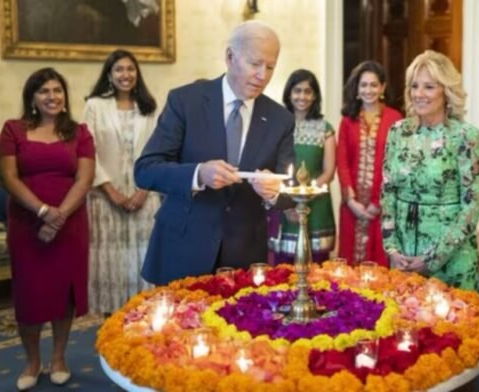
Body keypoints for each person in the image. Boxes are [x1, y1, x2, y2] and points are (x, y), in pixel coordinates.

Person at [134, 21, 294, 285]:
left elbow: (291, 192)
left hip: (244, 257)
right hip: (183, 247)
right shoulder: (185, 101)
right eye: (255, 64)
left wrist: (275, 191)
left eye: (270, 67)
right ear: (230, 57)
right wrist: (198, 174)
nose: (263, 76)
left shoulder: (280, 119)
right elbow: (145, 170)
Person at [0, 68, 95, 390]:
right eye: (44, 91)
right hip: (27, 224)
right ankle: (32, 361)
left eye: (57, 90)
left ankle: (58, 357)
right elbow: (9, 178)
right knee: (29, 295)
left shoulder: (80, 133)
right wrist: (42, 211)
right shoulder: (13, 129)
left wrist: (58, 217)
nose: (52, 96)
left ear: (65, 97)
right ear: (33, 98)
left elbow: (84, 179)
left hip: (70, 226)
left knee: (63, 294)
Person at [381, 50, 479, 290]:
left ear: (446, 91)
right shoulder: (398, 131)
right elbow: (387, 193)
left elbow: (473, 203)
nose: (419, 94)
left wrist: (434, 258)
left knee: (452, 325)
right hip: (404, 256)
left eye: (429, 87)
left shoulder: (464, 136)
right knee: (406, 323)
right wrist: (392, 249)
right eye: (414, 86)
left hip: (451, 257)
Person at [83, 49, 160, 314]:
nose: (125, 75)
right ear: (109, 74)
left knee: (142, 265)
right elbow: (87, 152)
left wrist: (142, 191)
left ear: (137, 73)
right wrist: (111, 192)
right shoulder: (95, 105)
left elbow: (157, 151)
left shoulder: (149, 108)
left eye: (130, 69)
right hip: (105, 198)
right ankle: (111, 331)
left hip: (144, 197)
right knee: (111, 267)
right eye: (119, 70)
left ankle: (144, 330)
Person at [336, 60, 402, 267]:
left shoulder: (395, 119)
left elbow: (395, 164)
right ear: (357, 88)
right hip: (352, 207)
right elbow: (342, 161)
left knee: (379, 262)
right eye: (363, 85)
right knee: (349, 264)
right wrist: (351, 201)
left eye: (374, 85)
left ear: (382, 87)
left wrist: (377, 202)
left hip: (382, 207)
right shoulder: (348, 121)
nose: (368, 90)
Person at [268, 69, 336, 263]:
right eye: (297, 90)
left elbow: (329, 172)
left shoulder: (325, 128)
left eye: (308, 91)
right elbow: (271, 166)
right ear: (289, 93)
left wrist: (303, 198)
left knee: (317, 269)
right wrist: (288, 203)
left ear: (315, 96)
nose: (302, 96)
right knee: (283, 269)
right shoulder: (277, 125)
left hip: (316, 204)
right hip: (283, 203)